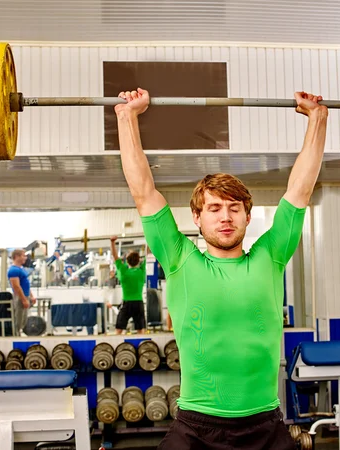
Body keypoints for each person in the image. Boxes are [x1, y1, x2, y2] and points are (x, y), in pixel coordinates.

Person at [114, 88, 327, 450]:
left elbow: (300, 189)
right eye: (214, 208)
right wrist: (127, 116)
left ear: (247, 214)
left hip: (265, 426)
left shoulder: (270, 255)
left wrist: (318, 118)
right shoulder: (181, 258)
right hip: (196, 427)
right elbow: (144, 191)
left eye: (233, 207)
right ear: (197, 217)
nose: (225, 217)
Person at [110, 237, 147, 334]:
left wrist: (112, 242)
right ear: (139, 261)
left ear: (127, 262)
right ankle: (143, 347)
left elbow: (115, 256)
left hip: (127, 304)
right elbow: (149, 254)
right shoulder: (141, 272)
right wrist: (148, 239)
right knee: (140, 330)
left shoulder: (123, 272)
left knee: (118, 330)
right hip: (138, 303)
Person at [7, 248, 36, 336]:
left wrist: (31, 296)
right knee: (19, 320)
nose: (25, 258)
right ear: (16, 257)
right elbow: (16, 286)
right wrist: (23, 299)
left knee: (23, 319)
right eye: (23, 256)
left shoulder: (21, 269)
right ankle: (16, 336)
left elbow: (25, 285)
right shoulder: (13, 270)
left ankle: (19, 334)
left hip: (25, 296)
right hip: (20, 297)